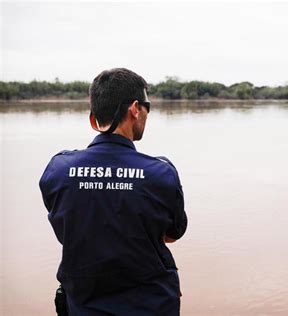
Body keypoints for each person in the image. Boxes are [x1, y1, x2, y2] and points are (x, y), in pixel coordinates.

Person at [39, 68, 187, 315]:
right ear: (135, 109)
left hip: (82, 306)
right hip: (150, 306)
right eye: (147, 107)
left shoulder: (59, 170)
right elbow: (171, 234)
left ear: (93, 118)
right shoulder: (160, 173)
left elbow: (68, 227)